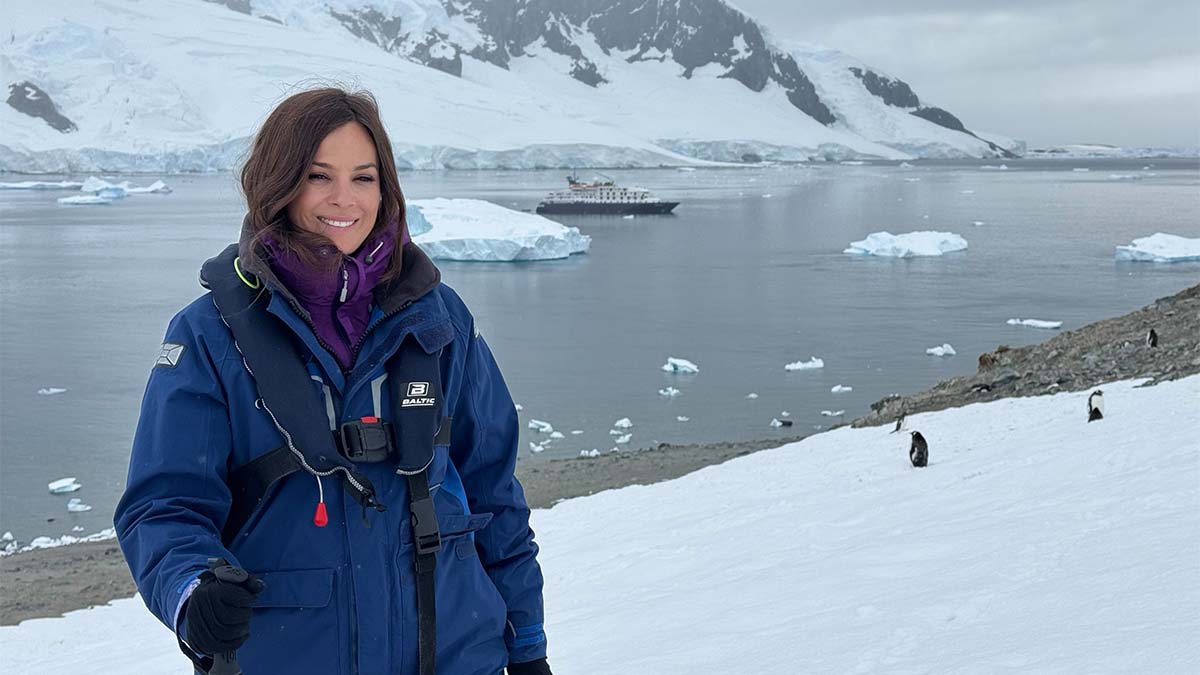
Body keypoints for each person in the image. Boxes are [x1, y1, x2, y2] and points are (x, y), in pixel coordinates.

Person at [114, 88, 550, 675]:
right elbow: (164, 506)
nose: (344, 199)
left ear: (386, 187)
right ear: (279, 183)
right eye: (319, 176)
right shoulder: (208, 336)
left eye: (364, 177)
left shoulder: (440, 320)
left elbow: (495, 496)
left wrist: (527, 646)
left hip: (455, 656)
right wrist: (193, 590)